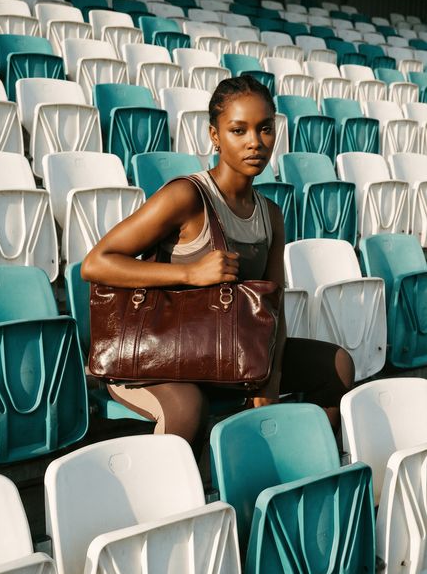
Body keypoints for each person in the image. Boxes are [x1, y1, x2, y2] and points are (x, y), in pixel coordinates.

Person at [81, 75, 354, 453]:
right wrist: (190, 273)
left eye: (265, 129)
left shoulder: (271, 214)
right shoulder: (185, 196)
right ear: (215, 135)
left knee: (336, 365)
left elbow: (275, 306)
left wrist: (270, 379)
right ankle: (174, 503)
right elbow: (96, 263)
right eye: (238, 130)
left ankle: (297, 467)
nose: (254, 142)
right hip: (157, 357)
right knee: (188, 407)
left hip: (228, 351)